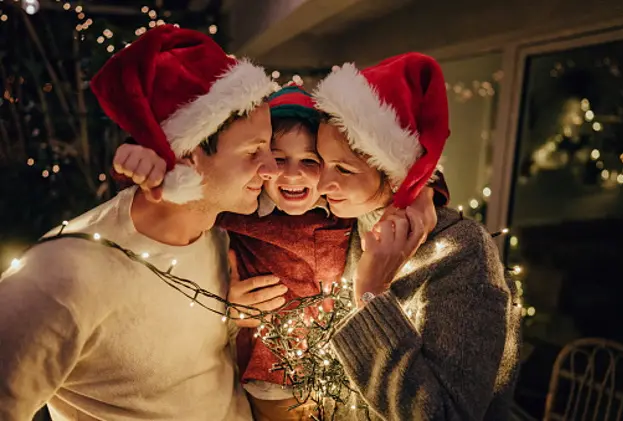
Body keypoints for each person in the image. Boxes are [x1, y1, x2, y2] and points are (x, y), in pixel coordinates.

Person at [111, 84, 451, 421]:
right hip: (272, 372)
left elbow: (386, 170)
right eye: (278, 158)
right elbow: (180, 194)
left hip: (343, 367)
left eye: (310, 160)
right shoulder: (243, 209)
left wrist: (427, 189)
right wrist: (145, 157)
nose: (292, 173)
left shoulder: (340, 206)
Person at [0, 25, 279, 421]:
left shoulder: (221, 238)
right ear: (187, 156)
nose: (270, 168)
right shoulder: (63, 273)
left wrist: (229, 322)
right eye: (253, 151)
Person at [310, 52, 522, 420]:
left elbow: (443, 415)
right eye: (321, 162)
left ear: (393, 170)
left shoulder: (462, 251)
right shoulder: (341, 220)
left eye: (343, 169)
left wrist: (372, 294)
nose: (323, 183)